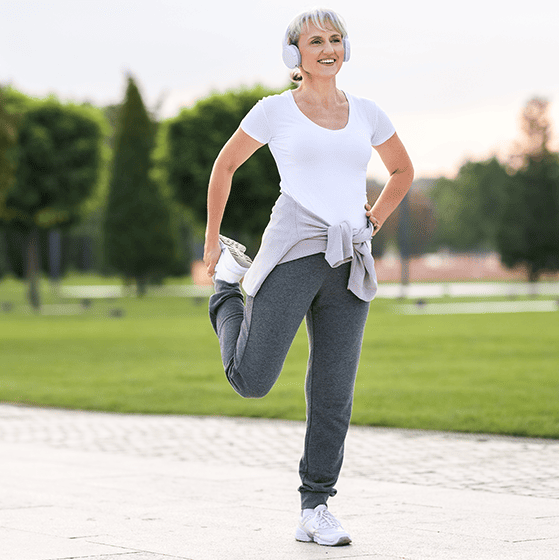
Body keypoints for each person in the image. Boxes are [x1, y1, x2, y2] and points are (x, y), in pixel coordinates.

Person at [203, 8, 413, 547]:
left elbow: (402, 170)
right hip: (294, 251)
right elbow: (224, 165)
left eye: (336, 39)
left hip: (349, 261)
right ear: (294, 53)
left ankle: (316, 506)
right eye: (315, 40)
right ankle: (228, 291)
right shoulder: (274, 111)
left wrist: (374, 218)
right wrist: (211, 240)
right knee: (251, 382)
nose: (328, 48)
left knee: (334, 393)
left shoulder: (366, 112)